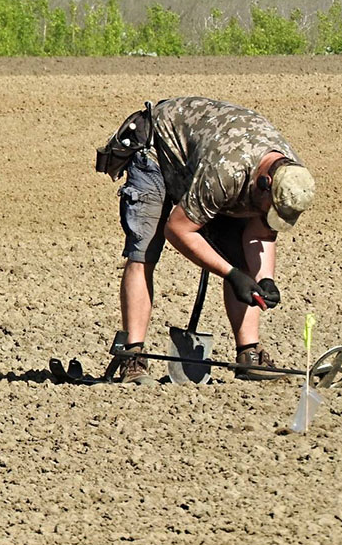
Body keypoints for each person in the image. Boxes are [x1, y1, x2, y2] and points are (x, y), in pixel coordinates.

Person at [99, 96, 316, 385]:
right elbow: (178, 230)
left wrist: (265, 279)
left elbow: (260, 232)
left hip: (203, 160)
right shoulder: (226, 172)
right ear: (264, 185)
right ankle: (132, 356)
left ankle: (249, 354)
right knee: (144, 252)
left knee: (241, 257)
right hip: (156, 150)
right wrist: (232, 274)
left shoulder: (290, 175)